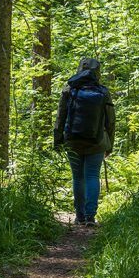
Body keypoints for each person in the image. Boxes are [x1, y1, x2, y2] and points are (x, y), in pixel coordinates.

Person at [53, 58, 115, 226]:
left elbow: (61, 117)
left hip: (73, 141)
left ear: (79, 69)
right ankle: (90, 217)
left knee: (78, 177)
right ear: (98, 72)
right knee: (93, 176)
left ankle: (79, 216)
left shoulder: (69, 90)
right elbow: (110, 120)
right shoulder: (103, 91)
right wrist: (110, 143)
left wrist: (57, 140)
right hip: (97, 141)